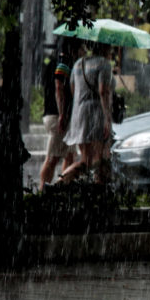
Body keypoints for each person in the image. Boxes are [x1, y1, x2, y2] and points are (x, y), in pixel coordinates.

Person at [60, 42, 115, 184]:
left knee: (87, 160)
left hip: (79, 114)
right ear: (106, 48)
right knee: (100, 160)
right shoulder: (104, 64)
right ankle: (59, 185)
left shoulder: (79, 63)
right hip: (95, 115)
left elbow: (73, 89)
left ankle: (59, 184)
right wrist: (107, 119)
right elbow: (103, 91)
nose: (112, 51)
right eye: (111, 48)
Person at [38, 41, 77, 190]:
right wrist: (62, 114)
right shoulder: (63, 63)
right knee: (53, 158)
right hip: (58, 117)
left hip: (57, 115)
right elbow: (59, 87)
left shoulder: (52, 63)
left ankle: (64, 188)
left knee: (70, 156)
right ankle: (43, 190)